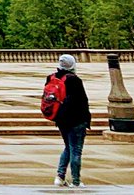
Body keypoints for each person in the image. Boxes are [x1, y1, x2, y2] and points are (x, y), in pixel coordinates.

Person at [49, 54, 91, 189]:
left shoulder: (52, 77)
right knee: (76, 150)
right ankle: (76, 181)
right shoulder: (74, 80)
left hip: (60, 119)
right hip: (76, 120)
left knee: (68, 147)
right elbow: (83, 102)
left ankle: (60, 176)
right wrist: (87, 120)